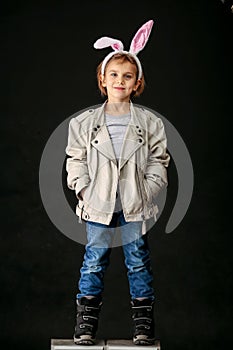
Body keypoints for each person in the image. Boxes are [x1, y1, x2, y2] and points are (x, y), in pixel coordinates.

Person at [65, 19, 170, 346]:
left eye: (127, 76)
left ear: (137, 82)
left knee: (138, 261)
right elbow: (75, 159)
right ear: (102, 79)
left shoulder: (150, 123)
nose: (120, 81)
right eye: (114, 75)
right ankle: (85, 325)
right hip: (99, 204)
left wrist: (147, 190)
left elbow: (159, 160)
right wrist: (83, 188)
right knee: (94, 261)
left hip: (134, 204)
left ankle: (143, 326)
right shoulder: (83, 123)